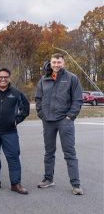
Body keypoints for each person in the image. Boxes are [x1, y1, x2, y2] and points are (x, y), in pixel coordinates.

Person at [35, 53, 84, 195]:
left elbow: (77, 99)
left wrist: (70, 116)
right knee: (49, 152)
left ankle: (76, 184)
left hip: (64, 121)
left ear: (63, 63)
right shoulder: (44, 79)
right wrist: (41, 114)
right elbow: (38, 98)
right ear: (50, 63)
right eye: (54, 62)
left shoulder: (71, 78)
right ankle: (48, 179)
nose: (56, 65)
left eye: (59, 62)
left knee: (69, 152)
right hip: (48, 121)